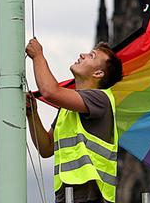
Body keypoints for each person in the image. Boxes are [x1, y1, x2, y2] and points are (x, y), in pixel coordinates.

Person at [25, 38, 123, 203]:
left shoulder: (101, 99)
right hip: (67, 196)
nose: (82, 55)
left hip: (91, 196)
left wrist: (38, 56)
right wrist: (32, 113)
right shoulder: (67, 108)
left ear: (98, 73)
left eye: (91, 56)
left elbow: (50, 92)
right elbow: (47, 147)